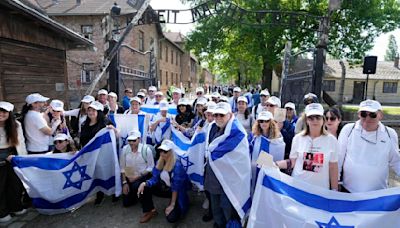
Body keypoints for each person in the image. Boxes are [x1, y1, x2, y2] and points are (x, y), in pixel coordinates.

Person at [204, 102, 251, 227]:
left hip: (230, 179)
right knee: (215, 208)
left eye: (222, 115)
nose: (218, 118)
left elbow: (238, 157)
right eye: (216, 115)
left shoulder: (238, 132)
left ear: (230, 115)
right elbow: (209, 148)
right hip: (213, 176)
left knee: (227, 208)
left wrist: (213, 154)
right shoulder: (212, 127)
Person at [338, 100, 400, 193]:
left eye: (372, 115)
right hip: (349, 192)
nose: (367, 118)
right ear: (358, 114)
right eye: (363, 114)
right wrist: (336, 182)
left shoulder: (390, 134)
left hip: (377, 193)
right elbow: (338, 158)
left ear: (380, 115)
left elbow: (396, 161)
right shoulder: (348, 129)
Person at [276, 103, 339, 191]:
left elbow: (333, 167)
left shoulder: (332, 140)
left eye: (318, 117)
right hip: (299, 188)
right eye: (311, 118)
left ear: (323, 120)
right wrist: (273, 164)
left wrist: (334, 191)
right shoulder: (298, 138)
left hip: (321, 190)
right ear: (306, 120)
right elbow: (292, 162)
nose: (315, 121)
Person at [137, 140, 191, 223]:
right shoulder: (159, 162)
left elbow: (176, 187)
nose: (162, 153)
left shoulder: (177, 166)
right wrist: (145, 183)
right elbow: (155, 178)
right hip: (165, 188)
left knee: (171, 218)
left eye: (165, 151)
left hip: (176, 192)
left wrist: (172, 204)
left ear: (171, 152)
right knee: (144, 188)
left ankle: (181, 203)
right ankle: (151, 211)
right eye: (160, 151)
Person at [79, 101, 119, 205]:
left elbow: (117, 135)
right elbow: (82, 140)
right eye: (89, 110)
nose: (91, 112)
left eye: (93, 110)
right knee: (96, 173)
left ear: (99, 112)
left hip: (105, 154)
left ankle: (114, 192)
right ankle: (100, 194)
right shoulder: (84, 124)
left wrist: (113, 129)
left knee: (109, 171)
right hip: (91, 155)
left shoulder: (105, 122)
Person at [0, 101, 27, 223]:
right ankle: (2, 212)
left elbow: (20, 142)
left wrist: (23, 159)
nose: (1, 114)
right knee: (1, 186)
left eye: (4, 112)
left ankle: (15, 206)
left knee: (14, 184)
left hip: (13, 156)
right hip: (1, 158)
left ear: (9, 113)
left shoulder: (15, 125)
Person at [250, 111, 285, 194]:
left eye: (266, 121)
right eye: (261, 121)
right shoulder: (254, 137)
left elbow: (278, 158)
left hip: (270, 170)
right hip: (256, 169)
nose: (264, 123)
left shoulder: (278, 138)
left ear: (271, 122)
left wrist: (265, 161)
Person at [120, 130, 154, 207]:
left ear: (139, 139)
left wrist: (138, 176)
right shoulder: (125, 149)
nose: (131, 142)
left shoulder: (146, 150)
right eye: (129, 140)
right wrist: (124, 183)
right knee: (126, 203)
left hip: (142, 175)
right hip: (129, 174)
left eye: (134, 140)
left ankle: (141, 194)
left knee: (136, 186)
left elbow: (150, 167)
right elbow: (122, 167)